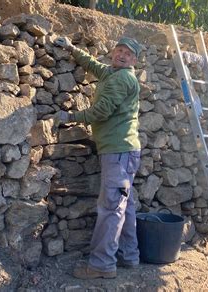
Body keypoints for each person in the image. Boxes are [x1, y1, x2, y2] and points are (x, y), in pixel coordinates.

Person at [53, 36, 142, 279]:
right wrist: (72, 49)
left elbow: (101, 111)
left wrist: (70, 118)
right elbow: (96, 66)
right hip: (125, 151)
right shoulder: (113, 73)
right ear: (113, 53)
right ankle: (128, 255)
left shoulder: (122, 78)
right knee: (125, 205)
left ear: (134, 60)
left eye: (128, 53)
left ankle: (102, 264)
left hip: (118, 151)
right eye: (119, 50)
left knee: (111, 207)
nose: (122, 55)